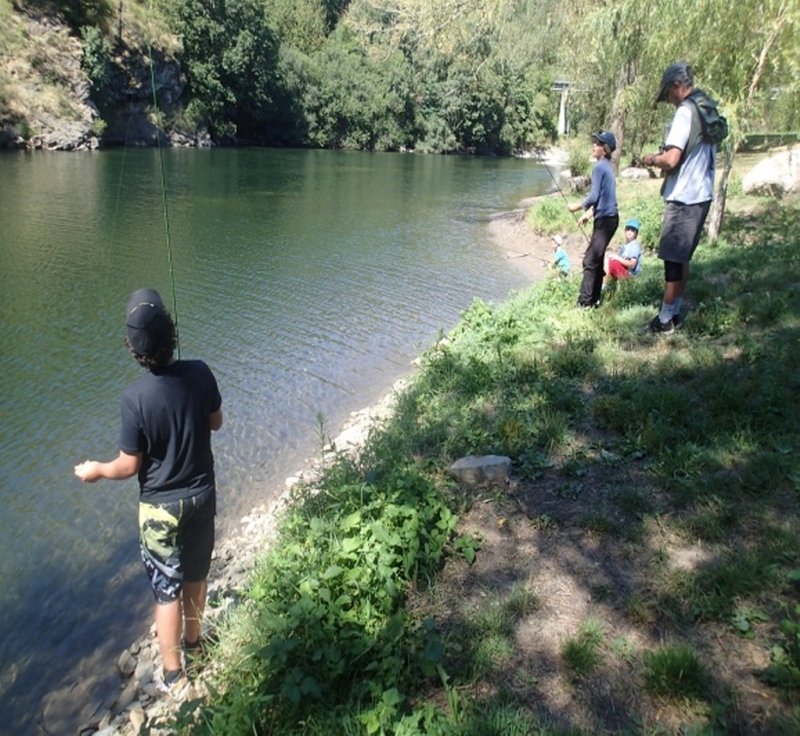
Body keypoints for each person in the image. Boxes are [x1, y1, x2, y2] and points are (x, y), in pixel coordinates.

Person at [74, 288, 223, 696]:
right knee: (196, 576)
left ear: (134, 349)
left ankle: (174, 674)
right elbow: (217, 422)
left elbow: (130, 465)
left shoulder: (133, 398)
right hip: (202, 496)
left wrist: (97, 471)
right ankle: (196, 645)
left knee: (166, 590)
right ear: (172, 334)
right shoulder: (201, 372)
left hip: (160, 509)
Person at [642, 61, 716, 334]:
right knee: (682, 258)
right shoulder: (705, 106)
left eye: (668, 96)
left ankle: (664, 321)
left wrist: (651, 159)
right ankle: (674, 314)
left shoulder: (686, 111)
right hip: (702, 194)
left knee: (672, 260)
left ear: (677, 86)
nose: (670, 102)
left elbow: (672, 159)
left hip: (684, 196)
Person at [568, 131, 619, 309]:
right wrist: (588, 215)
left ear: (604, 149)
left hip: (606, 221)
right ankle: (595, 300)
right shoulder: (606, 166)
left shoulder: (599, 167)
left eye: (597, 143)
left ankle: (584, 304)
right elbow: (605, 197)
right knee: (596, 259)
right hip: (609, 219)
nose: (594, 146)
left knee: (589, 261)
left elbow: (594, 196)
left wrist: (577, 206)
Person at [604, 218, 643, 284]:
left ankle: (605, 285)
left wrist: (617, 258)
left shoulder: (635, 246)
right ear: (624, 231)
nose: (629, 231)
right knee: (607, 260)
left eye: (633, 230)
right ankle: (606, 283)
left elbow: (632, 265)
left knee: (610, 261)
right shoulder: (624, 247)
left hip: (631, 275)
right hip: (623, 272)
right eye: (628, 229)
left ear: (636, 233)